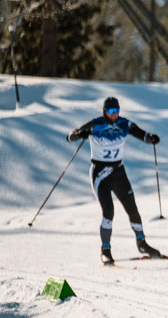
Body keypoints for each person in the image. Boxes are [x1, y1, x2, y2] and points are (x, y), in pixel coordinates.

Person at [66, 96, 162, 264]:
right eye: (111, 111)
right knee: (108, 212)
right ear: (105, 112)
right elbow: (70, 136)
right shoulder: (95, 124)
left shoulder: (124, 124)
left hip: (119, 172)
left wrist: (152, 138)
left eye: (117, 111)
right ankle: (106, 251)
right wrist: (80, 134)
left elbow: (142, 134)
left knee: (132, 208)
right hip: (100, 174)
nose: (114, 115)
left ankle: (142, 243)